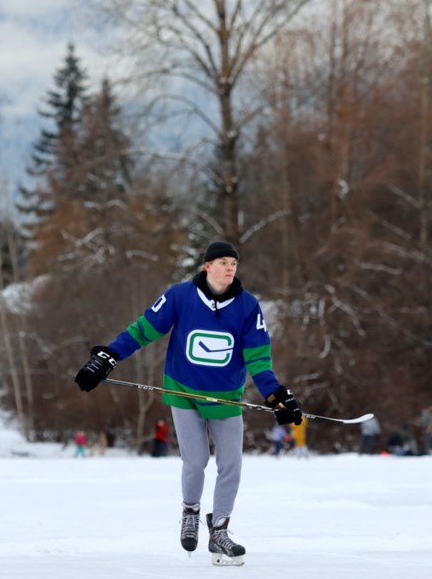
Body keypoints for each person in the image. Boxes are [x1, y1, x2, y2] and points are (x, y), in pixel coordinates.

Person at [74, 241, 302, 566]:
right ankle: (191, 512)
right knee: (195, 461)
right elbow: (142, 331)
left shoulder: (248, 306)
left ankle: (220, 529)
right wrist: (108, 357)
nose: (229, 268)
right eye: (222, 262)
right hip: (184, 392)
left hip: (226, 397)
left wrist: (275, 394)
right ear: (207, 266)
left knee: (231, 465)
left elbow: (258, 360)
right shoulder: (180, 296)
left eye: (233, 263)